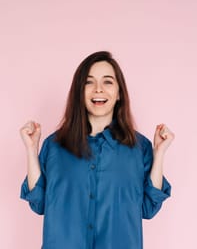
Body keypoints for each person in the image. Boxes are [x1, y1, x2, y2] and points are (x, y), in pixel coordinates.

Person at [20, 50, 175, 249]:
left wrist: (159, 153)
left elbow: (148, 208)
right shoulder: (55, 145)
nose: (98, 89)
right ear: (79, 91)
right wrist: (31, 150)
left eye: (108, 82)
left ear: (119, 93)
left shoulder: (139, 148)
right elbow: (38, 203)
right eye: (89, 82)